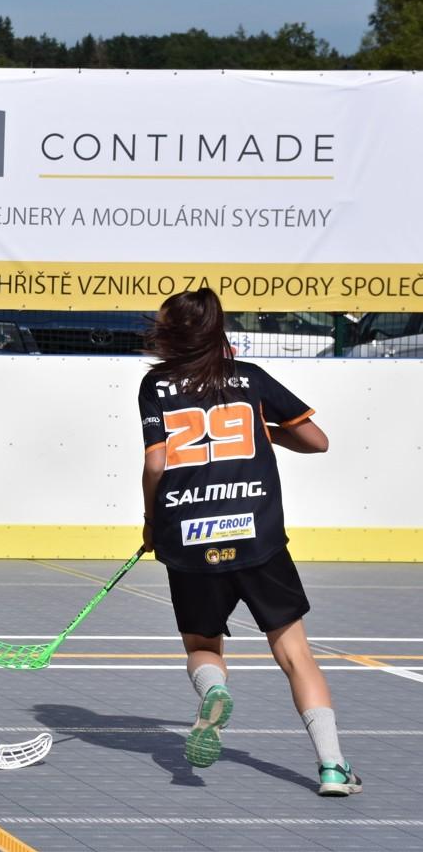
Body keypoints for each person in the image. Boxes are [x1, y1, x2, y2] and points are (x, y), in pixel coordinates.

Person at [139, 287, 359, 796]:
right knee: (295, 653)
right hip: (257, 537)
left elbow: (155, 462)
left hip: (189, 536)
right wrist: (267, 432)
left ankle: (214, 692)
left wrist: (152, 521)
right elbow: (317, 441)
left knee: (202, 645)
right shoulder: (250, 378)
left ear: (171, 332)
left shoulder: (156, 384)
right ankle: (332, 767)